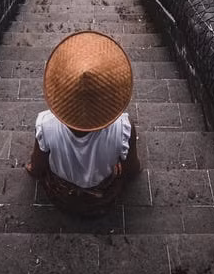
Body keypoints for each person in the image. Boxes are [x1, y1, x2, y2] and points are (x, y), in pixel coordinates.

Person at [25, 30, 140, 214]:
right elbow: (132, 169)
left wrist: (31, 169)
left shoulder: (45, 124)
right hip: (103, 195)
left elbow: (37, 167)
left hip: (61, 194)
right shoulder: (123, 128)